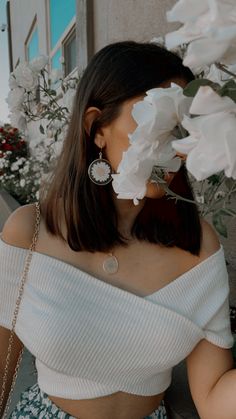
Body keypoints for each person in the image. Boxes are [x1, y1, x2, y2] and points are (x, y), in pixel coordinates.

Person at [0, 41, 235, 419]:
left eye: (181, 128)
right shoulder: (29, 231)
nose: (174, 146)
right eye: (156, 123)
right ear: (96, 128)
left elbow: (213, 397)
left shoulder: (197, 246)